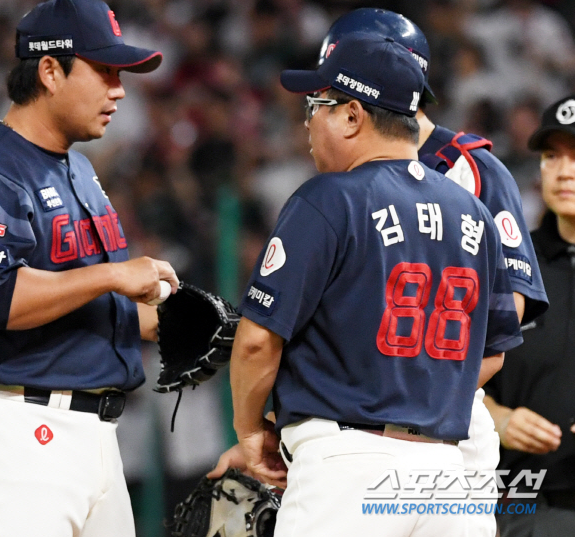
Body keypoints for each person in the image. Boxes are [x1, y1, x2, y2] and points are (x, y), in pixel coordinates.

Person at [228, 31, 523, 537]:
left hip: (346, 465)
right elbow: (494, 350)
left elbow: (257, 342)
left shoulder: (328, 198)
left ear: (351, 115)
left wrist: (250, 430)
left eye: (316, 106)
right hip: (449, 474)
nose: (308, 123)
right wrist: (421, 396)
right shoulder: (473, 212)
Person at [0, 0, 179, 537]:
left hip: (95, 439)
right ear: (49, 71)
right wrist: (113, 273)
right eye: (106, 70)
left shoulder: (79, 170)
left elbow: (97, 310)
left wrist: (210, 325)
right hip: (16, 441)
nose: (120, 89)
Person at [483, 94, 575, 536]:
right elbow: (452, 377)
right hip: (520, 508)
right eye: (552, 155)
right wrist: (497, 418)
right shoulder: (510, 265)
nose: (564, 170)